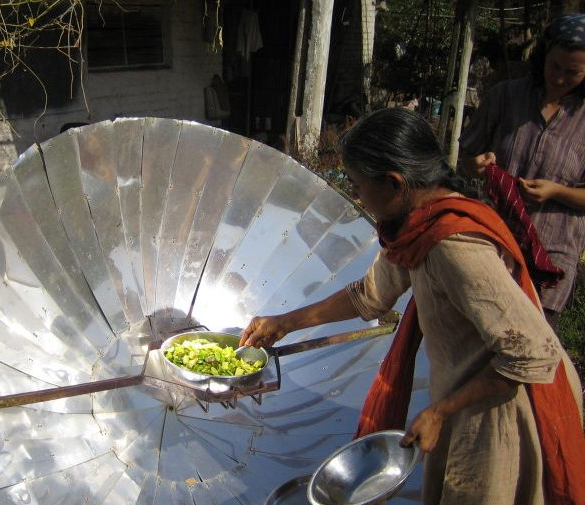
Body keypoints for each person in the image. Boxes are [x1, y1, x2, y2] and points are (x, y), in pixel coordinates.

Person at [239, 107, 584, 505]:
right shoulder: (415, 225)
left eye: (358, 185)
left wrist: (442, 411)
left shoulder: (451, 245)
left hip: (501, 404)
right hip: (466, 390)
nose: (356, 196)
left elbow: (533, 354)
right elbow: (368, 295)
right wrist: (285, 321)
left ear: (394, 183)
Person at [458, 13, 585, 330]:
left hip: (551, 257)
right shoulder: (505, 96)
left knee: (529, 350)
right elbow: (466, 157)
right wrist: (475, 164)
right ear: (543, 56)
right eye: (554, 66)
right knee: (475, 340)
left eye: (573, 72)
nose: (559, 78)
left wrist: (556, 192)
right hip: (492, 243)